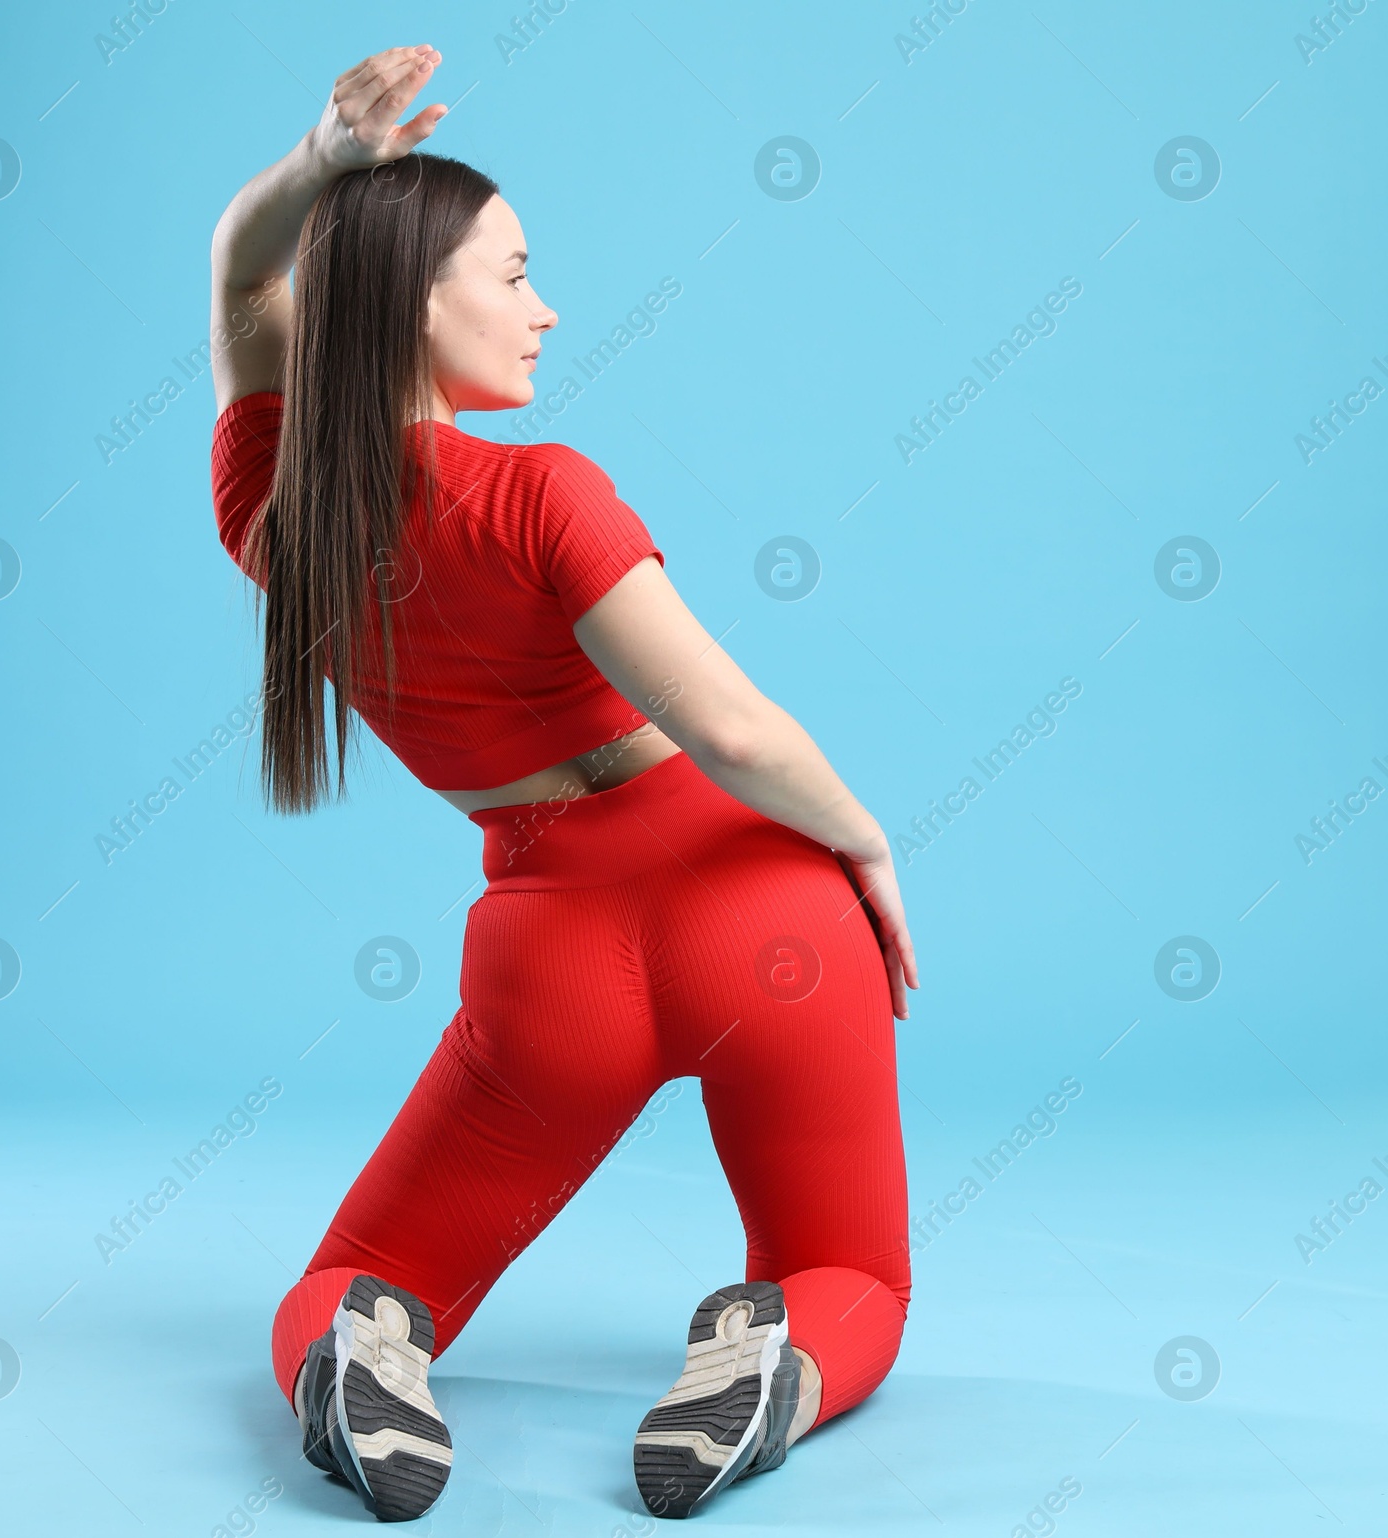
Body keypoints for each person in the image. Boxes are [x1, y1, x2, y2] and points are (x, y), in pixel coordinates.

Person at [207, 43, 919, 1524]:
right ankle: (770, 1354)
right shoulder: (543, 490)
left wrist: (315, 169)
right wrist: (864, 847)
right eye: (517, 273)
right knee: (849, 1272)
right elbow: (731, 732)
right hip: (759, 902)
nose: (545, 309)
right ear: (417, 298)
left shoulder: (279, 522)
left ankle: (359, 1354)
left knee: (366, 1273)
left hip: (550, 952)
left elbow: (236, 278)